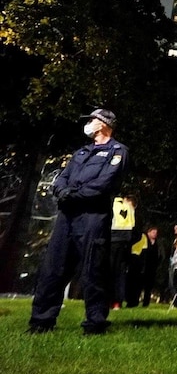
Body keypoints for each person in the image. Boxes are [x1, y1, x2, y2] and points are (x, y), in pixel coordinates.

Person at [28, 108, 128, 335]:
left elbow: (105, 184)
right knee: (54, 268)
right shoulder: (81, 153)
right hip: (67, 217)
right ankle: (41, 321)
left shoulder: (117, 152)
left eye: (92, 120)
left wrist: (72, 194)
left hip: (93, 217)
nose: (88, 124)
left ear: (103, 124)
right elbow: (61, 178)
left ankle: (95, 324)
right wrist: (62, 191)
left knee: (93, 270)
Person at [109, 193, 136, 309]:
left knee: (108, 271)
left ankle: (106, 300)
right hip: (124, 243)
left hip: (111, 240)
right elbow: (136, 231)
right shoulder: (131, 210)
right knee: (120, 274)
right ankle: (117, 302)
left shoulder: (113, 205)